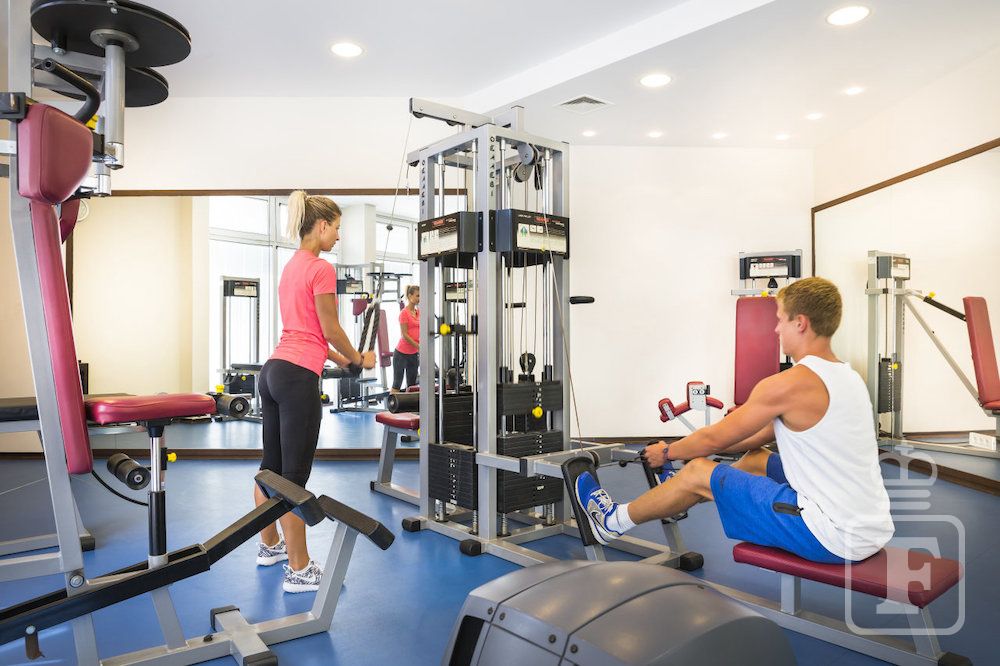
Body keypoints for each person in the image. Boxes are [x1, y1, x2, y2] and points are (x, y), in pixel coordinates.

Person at [575, 277, 894, 564]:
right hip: (870, 527)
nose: (776, 329)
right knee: (756, 460)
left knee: (697, 471)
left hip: (831, 535)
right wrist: (688, 457)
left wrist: (668, 452)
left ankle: (611, 522)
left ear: (800, 323)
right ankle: (676, 497)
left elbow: (714, 439)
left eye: (780, 319)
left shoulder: (789, 384)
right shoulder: (848, 377)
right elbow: (752, 438)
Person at [253, 190, 375, 593]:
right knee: (293, 479)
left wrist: (343, 362)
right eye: (336, 227)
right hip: (296, 380)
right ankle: (299, 569)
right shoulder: (320, 267)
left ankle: (269, 546)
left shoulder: (291, 266)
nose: (338, 236)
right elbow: (329, 329)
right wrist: (358, 358)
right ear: (321, 226)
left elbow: (308, 334)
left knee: (269, 470)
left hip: (273, 371)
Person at [391, 285, 420, 393]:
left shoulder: (419, 312)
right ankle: (391, 403)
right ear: (410, 296)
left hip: (413, 354)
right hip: (401, 354)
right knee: (397, 383)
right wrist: (418, 346)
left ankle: (410, 404)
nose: (419, 298)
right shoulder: (404, 313)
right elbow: (404, 335)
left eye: (420, 296)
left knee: (412, 386)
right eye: (417, 296)